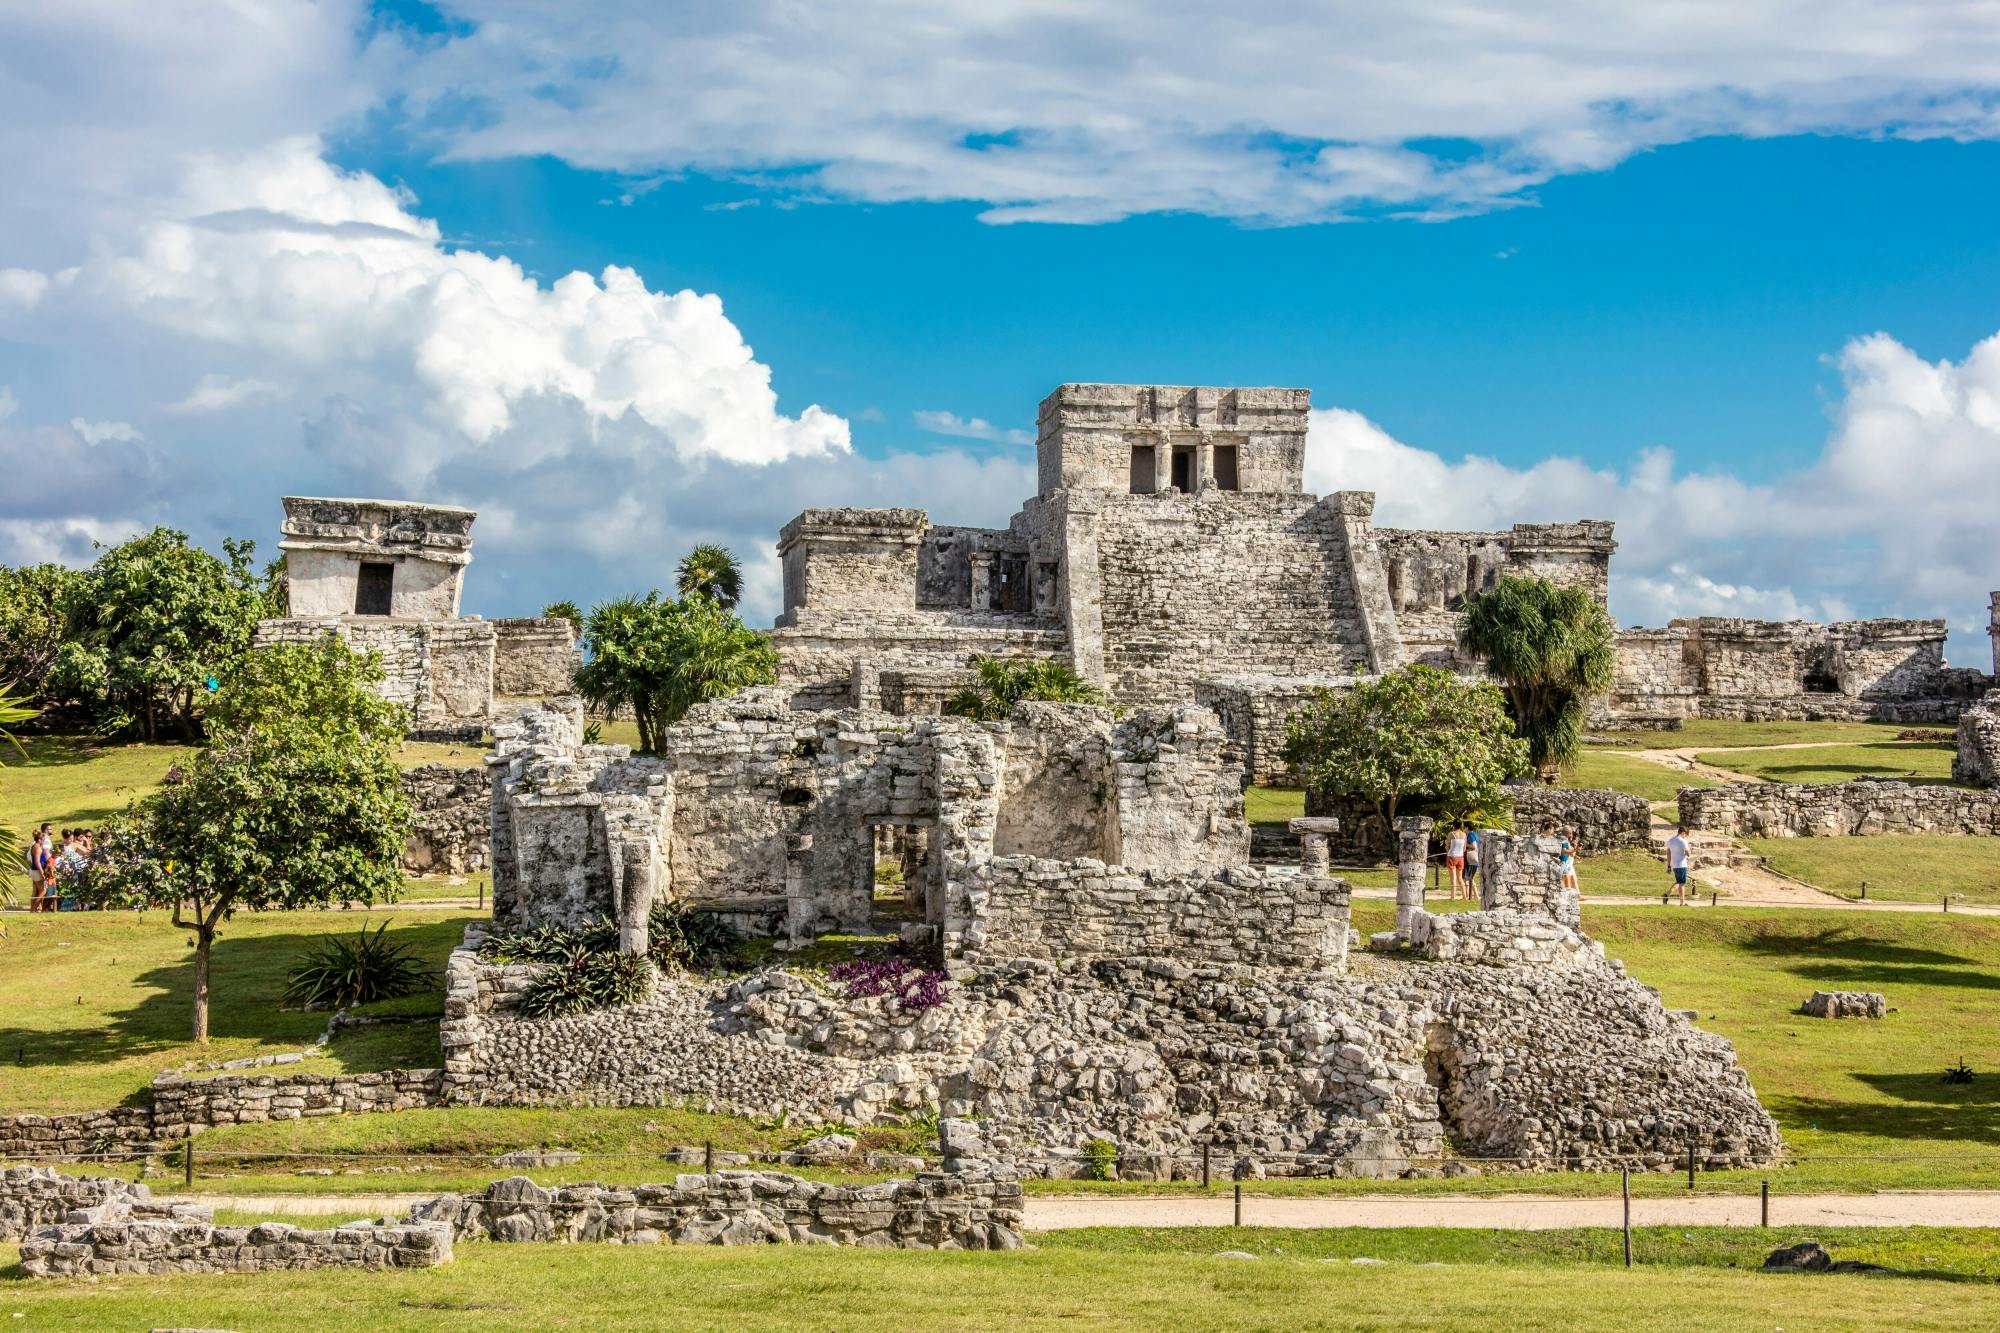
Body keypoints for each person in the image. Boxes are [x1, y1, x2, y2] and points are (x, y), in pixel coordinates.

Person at [1665, 825, 1692, 905]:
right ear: (1683, 833)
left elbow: (1668, 853)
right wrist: (1689, 848)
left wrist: (1669, 865)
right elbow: (1688, 854)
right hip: (1682, 864)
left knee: (1679, 882)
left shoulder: (1670, 840)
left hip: (1675, 865)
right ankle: (1680, 902)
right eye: (1686, 834)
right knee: (1682, 883)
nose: (1686, 836)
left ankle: (1670, 896)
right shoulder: (1682, 841)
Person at [1444, 822, 1468, 899]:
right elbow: (1464, 848)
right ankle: (1465, 896)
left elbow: (1447, 846)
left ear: (1453, 825)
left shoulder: (1451, 834)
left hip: (1452, 856)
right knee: (1460, 878)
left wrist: (1448, 852)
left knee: (1453, 879)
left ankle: (1453, 897)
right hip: (1461, 857)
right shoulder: (1464, 835)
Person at [1462, 827, 1481, 899]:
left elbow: (1474, 846)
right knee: (1470, 878)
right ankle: (1476, 895)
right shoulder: (1475, 834)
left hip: (1470, 859)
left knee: (1466, 878)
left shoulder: (1470, 835)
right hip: (1475, 858)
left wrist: (1465, 844)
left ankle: (1467, 896)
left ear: (1467, 828)